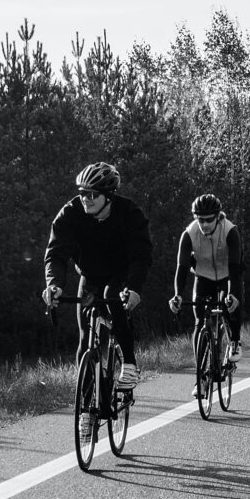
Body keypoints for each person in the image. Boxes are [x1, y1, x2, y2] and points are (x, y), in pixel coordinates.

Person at [42, 161, 153, 390]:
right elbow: (55, 254)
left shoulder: (129, 214)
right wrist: (54, 285)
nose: (86, 199)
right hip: (90, 276)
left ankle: (130, 365)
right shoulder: (71, 213)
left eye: (93, 194)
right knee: (85, 340)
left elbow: (141, 255)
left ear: (109, 196)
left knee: (112, 295)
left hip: (120, 274)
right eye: (83, 193)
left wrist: (134, 288)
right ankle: (86, 408)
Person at [168, 193, 244, 362]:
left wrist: (234, 294)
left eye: (209, 220)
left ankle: (235, 341)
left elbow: (235, 267)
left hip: (227, 275)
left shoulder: (230, 231)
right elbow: (182, 267)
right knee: (199, 320)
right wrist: (178, 295)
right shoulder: (189, 234)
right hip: (203, 275)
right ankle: (200, 376)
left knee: (231, 306)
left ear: (218, 217)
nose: (205, 224)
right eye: (201, 220)